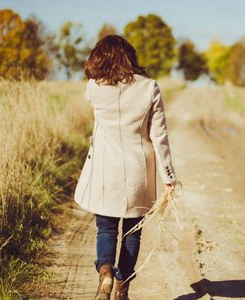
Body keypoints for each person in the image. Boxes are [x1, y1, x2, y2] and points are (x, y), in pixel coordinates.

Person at [74, 35, 177, 300]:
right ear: (130, 55)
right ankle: (122, 290)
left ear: (100, 57)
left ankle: (105, 271)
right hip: (138, 172)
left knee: (106, 228)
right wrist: (169, 177)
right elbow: (159, 136)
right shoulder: (150, 87)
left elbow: (94, 97)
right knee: (133, 233)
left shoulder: (94, 87)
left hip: (105, 172)